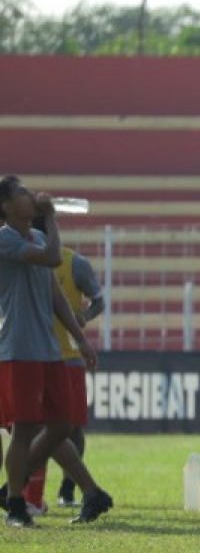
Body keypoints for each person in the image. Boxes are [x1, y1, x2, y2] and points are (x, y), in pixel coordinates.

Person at [0, 176, 112, 528]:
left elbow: (56, 296)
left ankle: (11, 489)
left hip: (47, 348)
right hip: (18, 346)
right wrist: (50, 218)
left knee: (62, 424)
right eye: (21, 193)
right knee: (25, 428)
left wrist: (80, 337)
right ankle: (17, 504)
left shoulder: (36, 238)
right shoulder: (6, 239)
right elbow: (51, 259)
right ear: (5, 206)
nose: (30, 196)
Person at [20, 213, 105, 513]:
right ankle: (28, 495)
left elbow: (98, 300)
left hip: (66, 358)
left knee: (69, 428)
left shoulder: (73, 264)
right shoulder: (18, 259)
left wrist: (83, 322)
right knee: (37, 427)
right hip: (33, 353)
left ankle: (66, 487)